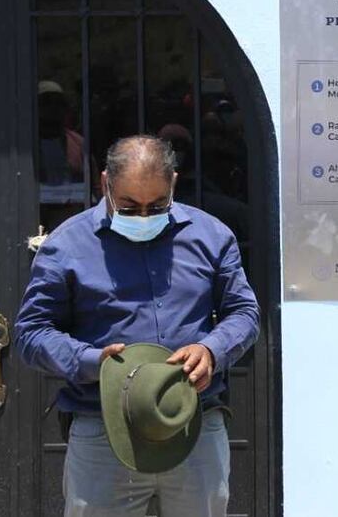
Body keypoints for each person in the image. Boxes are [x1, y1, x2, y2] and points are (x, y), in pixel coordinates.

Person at [14, 135, 260, 517]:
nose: (144, 216)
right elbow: (31, 333)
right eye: (129, 206)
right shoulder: (66, 246)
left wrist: (212, 350)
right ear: (105, 185)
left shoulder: (211, 236)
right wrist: (91, 361)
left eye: (157, 205)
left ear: (174, 183)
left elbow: (244, 313)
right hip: (102, 430)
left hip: (193, 423)